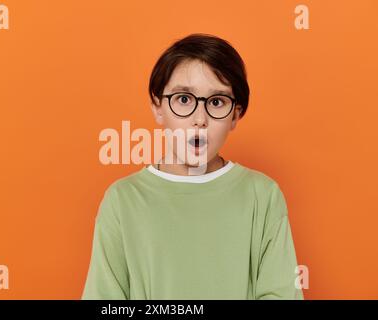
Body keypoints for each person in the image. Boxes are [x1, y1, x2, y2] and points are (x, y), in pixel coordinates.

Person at [81, 33, 304, 300]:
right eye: (184, 99)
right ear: (158, 106)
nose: (200, 119)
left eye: (217, 102)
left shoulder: (263, 196)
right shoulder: (122, 200)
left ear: (236, 114)